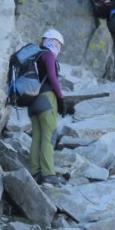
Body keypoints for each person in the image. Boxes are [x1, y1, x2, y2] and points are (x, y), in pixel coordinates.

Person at [30, 28, 67, 185]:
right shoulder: (48, 54)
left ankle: (35, 172)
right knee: (49, 135)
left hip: (31, 101)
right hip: (47, 99)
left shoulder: (34, 56)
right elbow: (52, 77)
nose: (59, 48)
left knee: (37, 136)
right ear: (53, 41)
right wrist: (61, 98)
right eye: (59, 44)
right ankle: (48, 173)